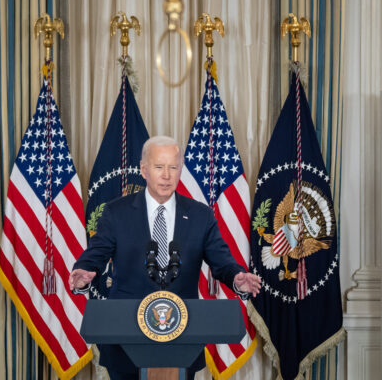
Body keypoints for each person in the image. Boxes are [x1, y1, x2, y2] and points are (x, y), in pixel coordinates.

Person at [70, 135, 262, 380]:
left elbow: (221, 259)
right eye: (159, 167)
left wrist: (237, 277)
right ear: (144, 169)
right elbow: (95, 254)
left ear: (180, 169)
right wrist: (83, 273)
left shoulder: (200, 215)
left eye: (173, 167)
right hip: (126, 337)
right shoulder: (116, 212)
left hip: (182, 335)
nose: (166, 175)